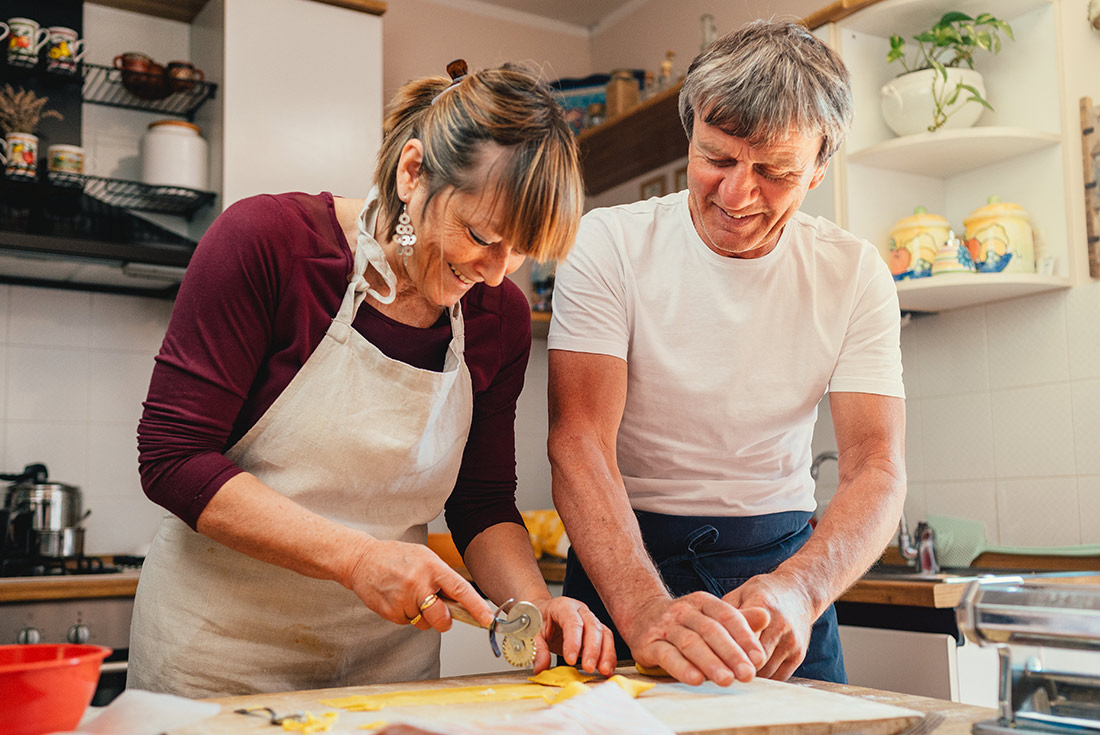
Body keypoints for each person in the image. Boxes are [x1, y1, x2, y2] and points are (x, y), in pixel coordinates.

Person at [130, 61, 617, 699]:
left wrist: (532, 603)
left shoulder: (499, 318)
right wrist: (358, 559)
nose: (498, 274)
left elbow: (481, 502)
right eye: (480, 236)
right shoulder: (268, 245)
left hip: (388, 674)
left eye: (520, 251)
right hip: (219, 661)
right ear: (412, 172)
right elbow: (172, 457)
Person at [547, 20, 906, 688]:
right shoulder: (610, 245)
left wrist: (801, 590)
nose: (738, 195)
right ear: (692, 134)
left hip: (783, 575)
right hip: (621, 559)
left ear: (819, 169)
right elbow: (579, 441)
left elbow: (876, 468)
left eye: (773, 172)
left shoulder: (854, 274)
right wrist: (645, 607)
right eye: (717, 159)